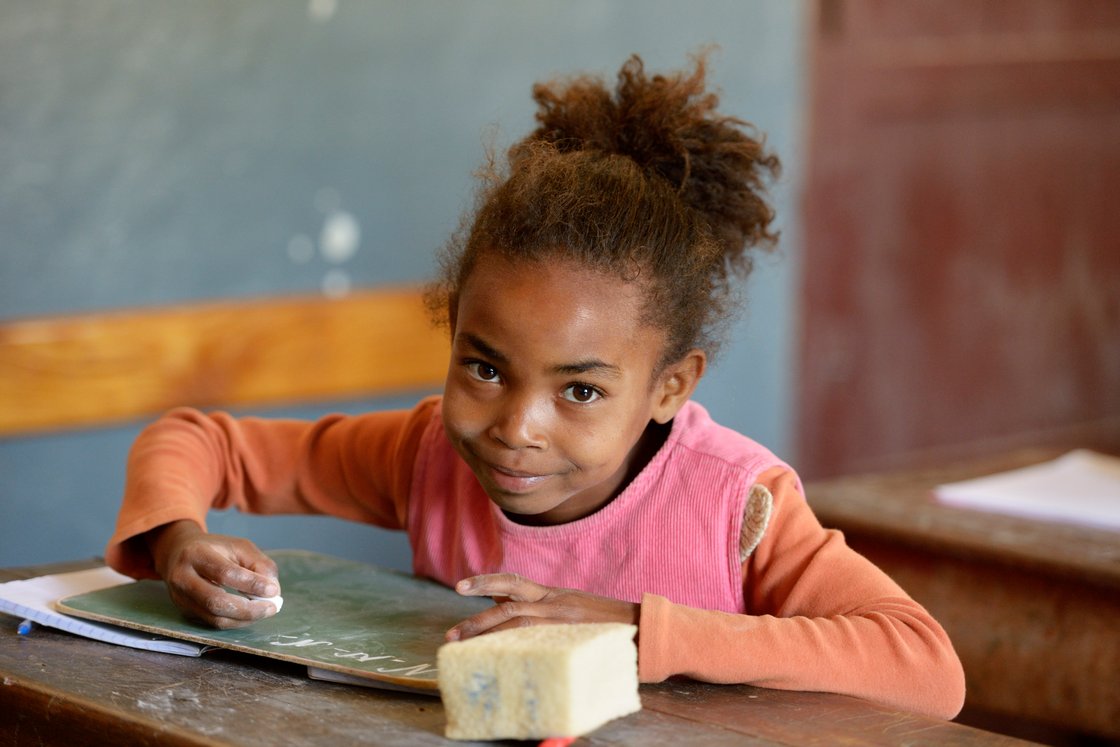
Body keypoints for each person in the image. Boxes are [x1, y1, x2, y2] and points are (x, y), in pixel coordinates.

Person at [105, 53, 965, 719]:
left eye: (580, 392)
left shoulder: (738, 505)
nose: (517, 426)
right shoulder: (427, 454)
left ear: (671, 385)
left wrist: (637, 630)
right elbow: (197, 441)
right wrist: (180, 540)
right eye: (484, 367)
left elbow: (925, 666)